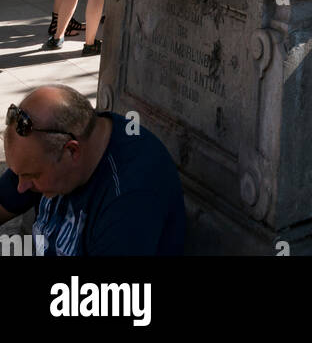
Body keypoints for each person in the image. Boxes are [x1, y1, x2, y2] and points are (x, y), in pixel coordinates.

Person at [0, 85, 185, 256]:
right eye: (19, 174)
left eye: (31, 176)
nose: (21, 186)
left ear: (72, 151)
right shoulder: (43, 153)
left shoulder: (128, 200)